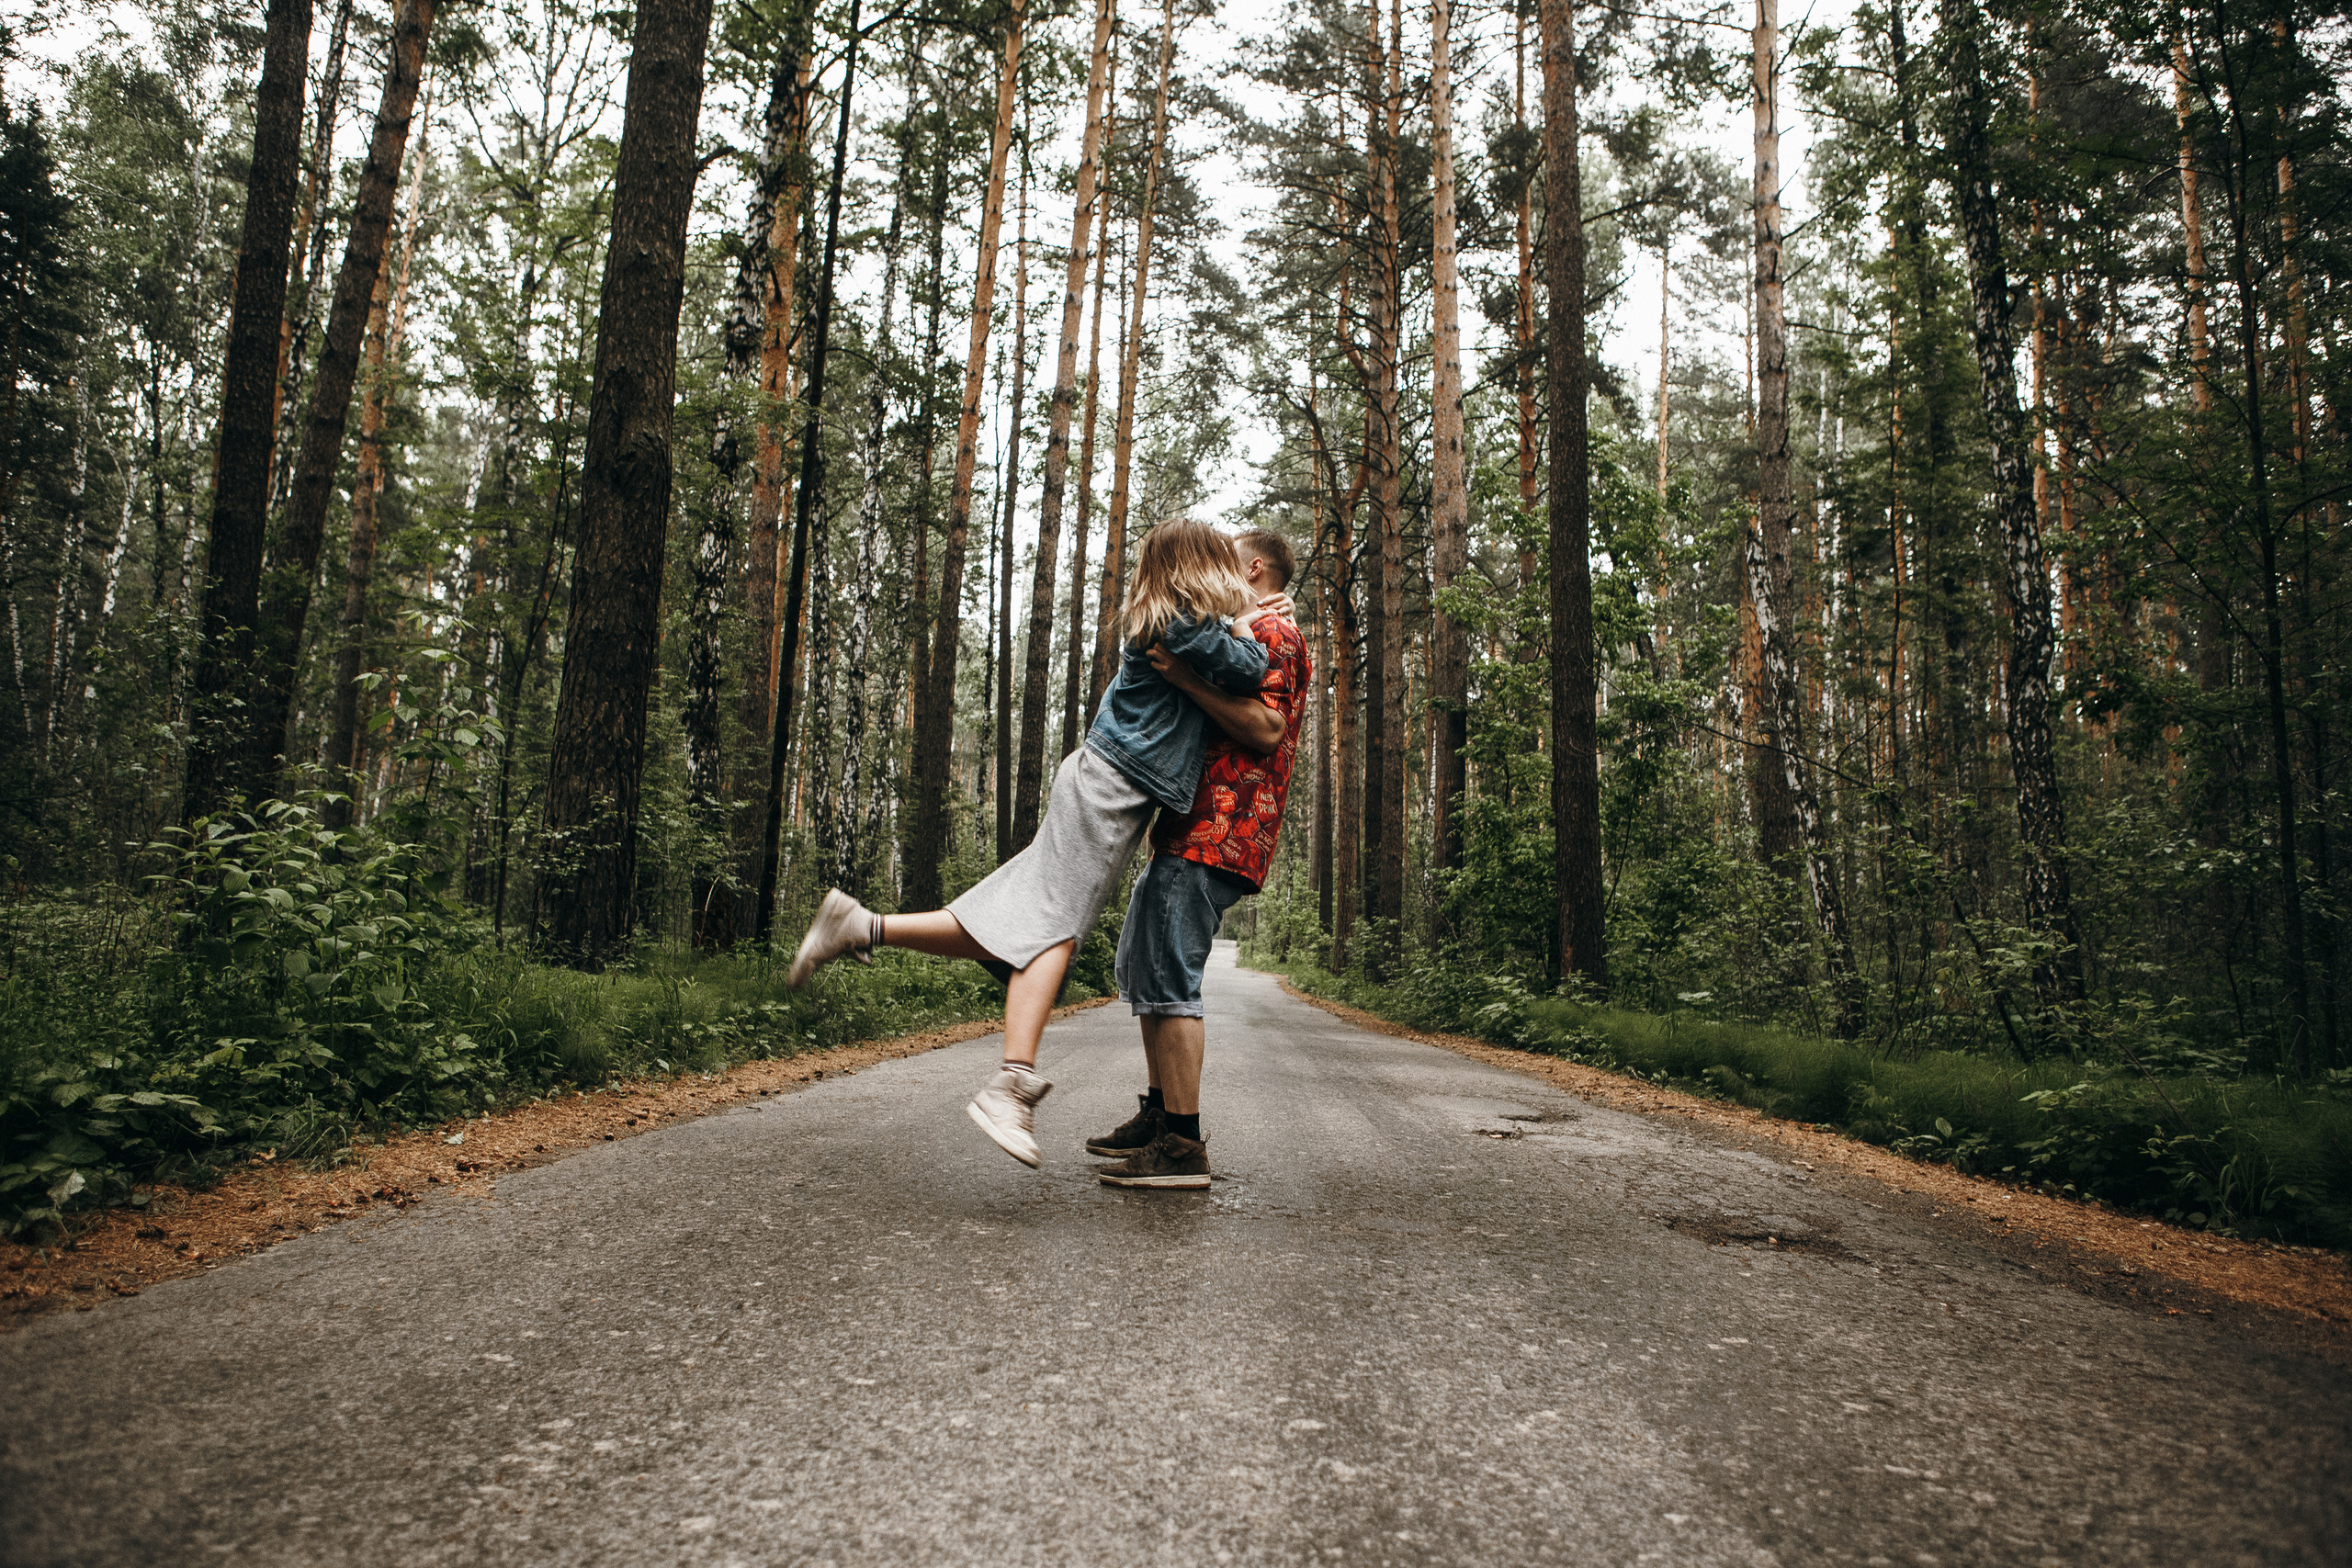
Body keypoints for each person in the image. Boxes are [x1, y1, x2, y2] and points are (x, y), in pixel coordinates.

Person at [785, 520, 1275, 1168]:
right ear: (1196, 569)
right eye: (1219, 563)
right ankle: (1010, 1081)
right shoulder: (1185, 622)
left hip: (1104, 785)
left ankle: (861, 926)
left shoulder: (1173, 615)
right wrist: (1246, 613)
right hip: (1109, 792)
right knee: (1053, 930)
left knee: (1010, 922)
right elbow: (1249, 668)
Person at [1090, 528, 1309, 1190]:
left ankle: (1182, 1143)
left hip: (1222, 829)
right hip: (1193, 827)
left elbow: (1268, 728)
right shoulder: (1253, 628)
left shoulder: (1277, 636)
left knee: (1173, 974)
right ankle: (1161, 1115)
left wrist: (1185, 678)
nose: (1216, 572)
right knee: (1146, 963)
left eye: (1226, 562)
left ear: (1253, 566)